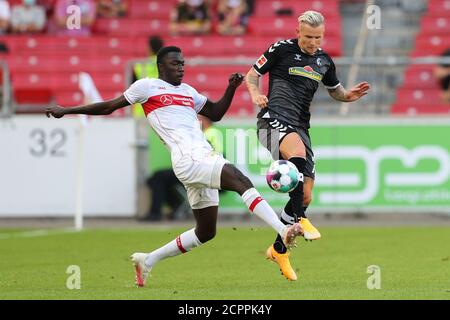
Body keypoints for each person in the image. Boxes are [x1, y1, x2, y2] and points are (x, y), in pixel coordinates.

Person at [45, 46, 303, 287]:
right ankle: (283, 230)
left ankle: (147, 260)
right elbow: (109, 106)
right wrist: (67, 110)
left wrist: (231, 89)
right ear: (161, 66)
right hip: (189, 158)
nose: (181, 68)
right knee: (240, 180)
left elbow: (214, 113)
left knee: (206, 231)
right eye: (175, 64)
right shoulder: (146, 87)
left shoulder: (188, 91)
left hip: (199, 157)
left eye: (183, 64)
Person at [245, 11, 370, 281]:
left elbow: (335, 90)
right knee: (297, 154)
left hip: (301, 127)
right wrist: (256, 94)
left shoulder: (324, 61)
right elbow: (252, 75)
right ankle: (300, 219)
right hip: (272, 120)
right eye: (308, 37)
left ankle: (279, 249)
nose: (313, 42)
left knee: (305, 195)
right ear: (298, 32)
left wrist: (349, 96)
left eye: (318, 37)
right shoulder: (280, 49)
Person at [132, 35, 164, 117]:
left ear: (149, 48)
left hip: (141, 112)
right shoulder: (167, 66)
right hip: (161, 111)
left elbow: (131, 92)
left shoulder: (139, 66)